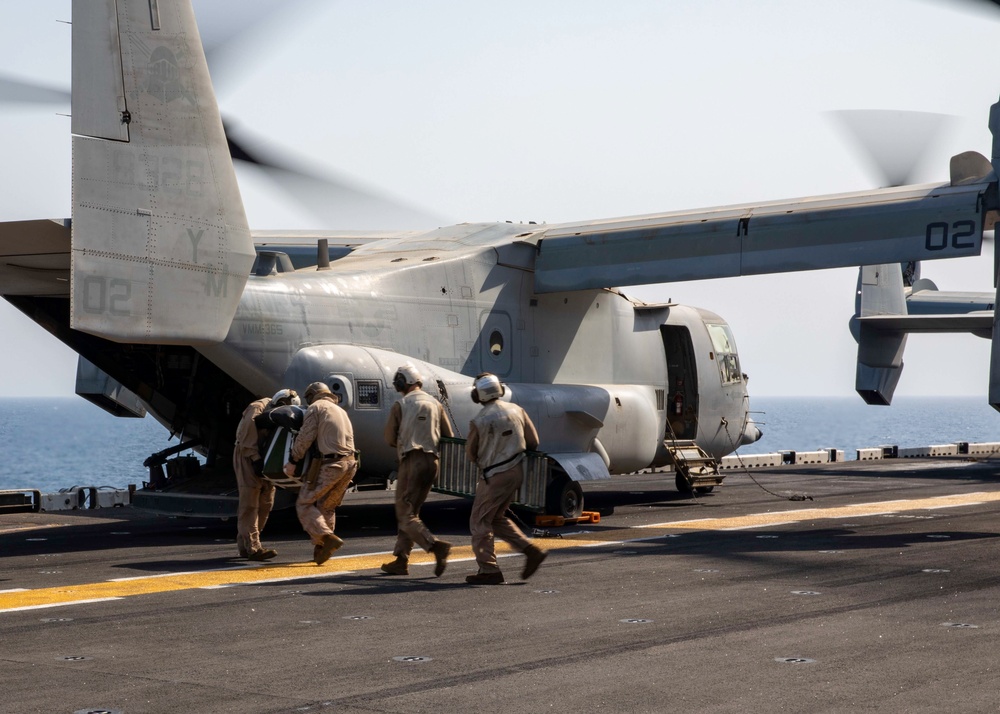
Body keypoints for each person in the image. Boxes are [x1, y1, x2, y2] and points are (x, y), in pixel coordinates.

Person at [464, 373, 547, 584]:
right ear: (499, 389)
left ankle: (488, 569)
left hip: (494, 475)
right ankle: (530, 550)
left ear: (478, 395)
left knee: (479, 521)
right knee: (496, 518)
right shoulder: (517, 410)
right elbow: (533, 441)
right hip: (516, 471)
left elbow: (471, 454)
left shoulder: (479, 420)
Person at [380, 364, 455, 577]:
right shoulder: (435, 403)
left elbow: (388, 438)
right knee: (411, 513)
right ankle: (401, 559)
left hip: (412, 460)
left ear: (404, 383)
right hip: (432, 462)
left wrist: (404, 441)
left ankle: (435, 546)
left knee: (404, 513)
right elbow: (448, 436)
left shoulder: (400, 404)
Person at [283, 381, 357, 565]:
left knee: (304, 503)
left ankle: (325, 537)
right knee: (327, 506)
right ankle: (322, 549)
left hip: (332, 464)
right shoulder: (340, 410)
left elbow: (305, 436)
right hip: (350, 463)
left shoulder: (316, 408)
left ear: (312, 396)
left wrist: (293, 461)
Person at [233, 388, 299, 561]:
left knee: (267, 501)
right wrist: (255, 459)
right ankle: (254, 547)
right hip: (247, 454)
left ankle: (245, 546)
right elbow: (247, 435)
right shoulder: (258, 407)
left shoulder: (282, 415)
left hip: (266, 455)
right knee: (250, 500)